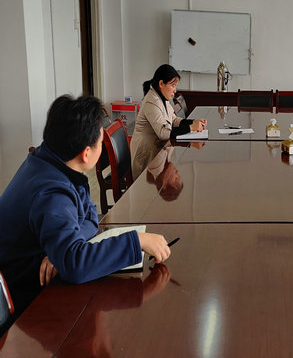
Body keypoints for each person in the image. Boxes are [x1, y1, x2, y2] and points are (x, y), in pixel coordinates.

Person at [0, 95, 171, 333]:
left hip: (41, 282)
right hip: (26, 304)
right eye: (101, 142)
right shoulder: (52, 192)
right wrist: (136, 241)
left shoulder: (53, 160)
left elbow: (90, 216)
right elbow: (75, 264)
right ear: (86, 153)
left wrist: (60, 249)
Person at [130, 64, 206, 180]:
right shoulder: (151, 101)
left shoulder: (162, 98)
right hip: (146, 161)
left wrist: (193, 122)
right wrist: (191, 128)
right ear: (161, 84)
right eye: (173, 85)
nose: (175, 90)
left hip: (158, 154)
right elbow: (163, 133)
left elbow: (174, 120)